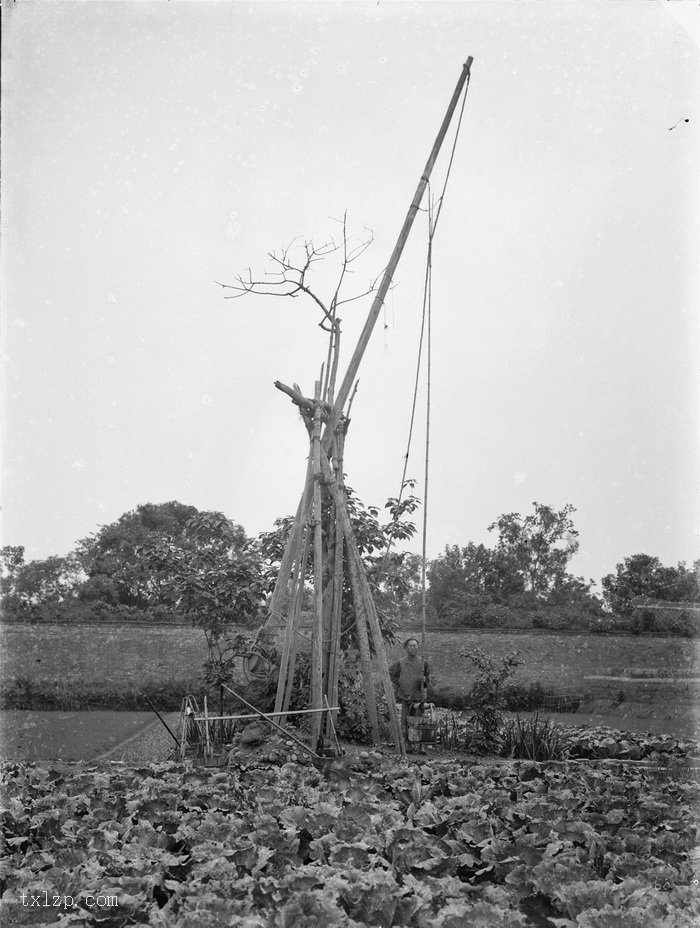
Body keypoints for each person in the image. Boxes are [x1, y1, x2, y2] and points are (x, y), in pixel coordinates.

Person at [389, 637, 430, 753]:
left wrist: (424, 680)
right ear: (406, 648)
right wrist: (400, 683)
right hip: (405, 696)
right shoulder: (401, 662)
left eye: (415, 646)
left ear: (418, 647)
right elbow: (391, 673)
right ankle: (407, 746)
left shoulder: (423, 662)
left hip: (419, 697)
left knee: (419, 721)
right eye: (410, 646)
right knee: (406, 722)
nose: (412, 648)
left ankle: (421, 747)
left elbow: (428, 679)